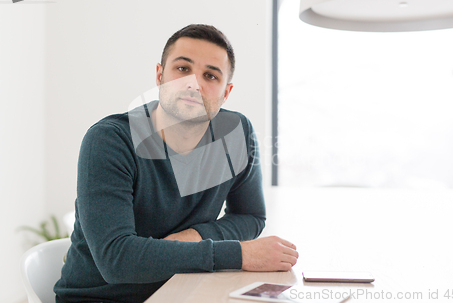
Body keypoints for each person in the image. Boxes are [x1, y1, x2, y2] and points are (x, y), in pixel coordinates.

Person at [54, 24, 299, 303]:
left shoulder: (236, 133)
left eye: (210, 75)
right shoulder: (110, 140)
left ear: (226, 92)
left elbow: (251, 215)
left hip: (184, 289)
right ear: (160, 76)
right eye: (182, 69)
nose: (194, 83)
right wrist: (240, 254)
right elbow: (116, 259)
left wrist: (195, 236)